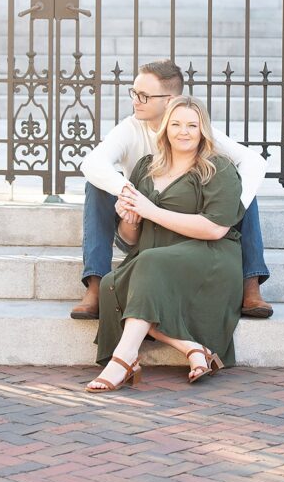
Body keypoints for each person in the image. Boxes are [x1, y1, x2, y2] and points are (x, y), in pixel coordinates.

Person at [72, 60, 273, 322]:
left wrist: (232, 209)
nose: (136, 101)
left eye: (144, 95)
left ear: (170, 100)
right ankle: (96, 286)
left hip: (189, 222)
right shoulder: (131, 128)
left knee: (239, 186)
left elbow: (254, 162)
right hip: (138, 223)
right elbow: (91, 163)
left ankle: (250, 284)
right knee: (96, 186)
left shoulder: (192, 127)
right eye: (134, 93)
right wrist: (130, 194)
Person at [86, 96, 244, 392]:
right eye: (176, 124)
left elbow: (215, 228)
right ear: (165, 129)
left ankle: (122, 359)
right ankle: (191, 348)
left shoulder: (216, 168)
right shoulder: (147, 166)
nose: (183, 131)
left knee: (148, 262)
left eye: (192, 125)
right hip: (156, 256)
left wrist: (152, 211)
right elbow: (130, 238)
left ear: (203, 130)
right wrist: (130, 218)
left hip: (209, 256)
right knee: (110, 286)